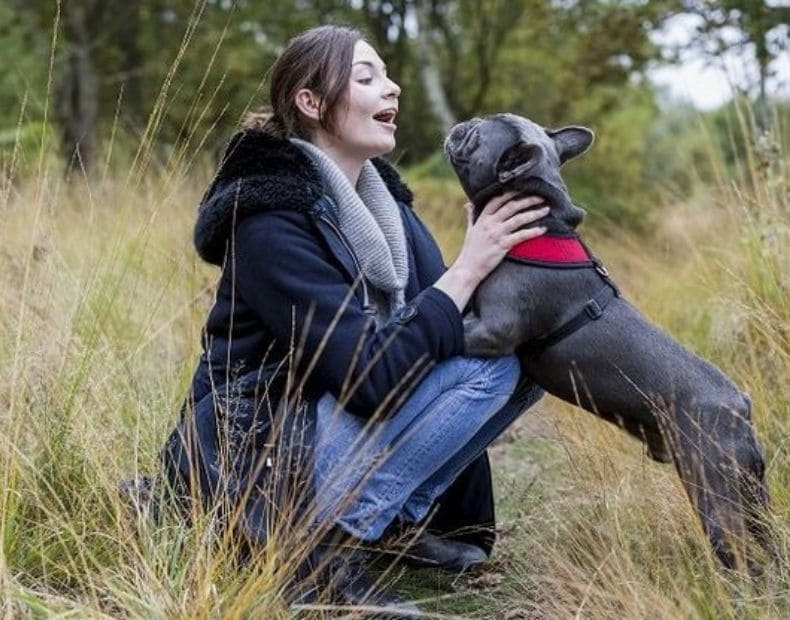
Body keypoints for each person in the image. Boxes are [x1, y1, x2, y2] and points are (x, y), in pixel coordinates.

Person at [160, 24, 547, 615]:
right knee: (487, 372)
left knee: (525, 353)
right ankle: (318, 551)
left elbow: (437, 323)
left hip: (325, 432)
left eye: (387, 75)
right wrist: (464, 271)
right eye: (366, 77)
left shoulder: (387, 211)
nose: (391, 88)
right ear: (311, 103)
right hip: (262, 462)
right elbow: (369, 377)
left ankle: (393, 528)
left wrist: (491, 256)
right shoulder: (269, 221)